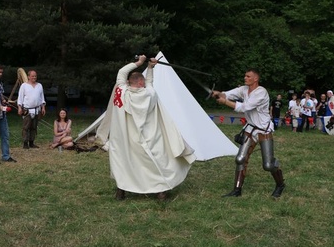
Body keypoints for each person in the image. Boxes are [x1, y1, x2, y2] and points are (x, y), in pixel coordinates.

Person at [97, 55, 196, 201]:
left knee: (123, 162)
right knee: (155, 162)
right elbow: (150, 82)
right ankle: (160, 191)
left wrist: (139, 62)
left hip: (125, 139)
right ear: (141, 83)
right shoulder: (150, 94)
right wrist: (150, 68)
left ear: (129, 82)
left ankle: (121, 191)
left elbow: (122, 72)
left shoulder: (121, 91)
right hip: (147, 137)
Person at [212, 68, 285, 198]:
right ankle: (237, 190)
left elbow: (244, 107)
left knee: (268, 165)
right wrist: (220, 93)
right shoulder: (244, 89)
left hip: (263, 130)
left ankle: (280, 184)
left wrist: (224, 101)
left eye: (248, 76)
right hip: (250, 129)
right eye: (245, 76)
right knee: (240, 159)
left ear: (255, 79)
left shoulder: (261, 92)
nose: (245, 78)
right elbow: (229, 94)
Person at [17, 70, 46, 149]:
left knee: (34, 127)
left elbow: (42, 98)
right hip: (27, 110)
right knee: (26, 127)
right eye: (32, 76)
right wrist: (19, 107)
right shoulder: (24, 86)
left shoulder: (39, 85)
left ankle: (31, 142)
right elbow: (20, 98)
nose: (34, 77)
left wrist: (43, 107)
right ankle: (25, 143)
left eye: (35, 76)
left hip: (37, 109)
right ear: (28, 76)